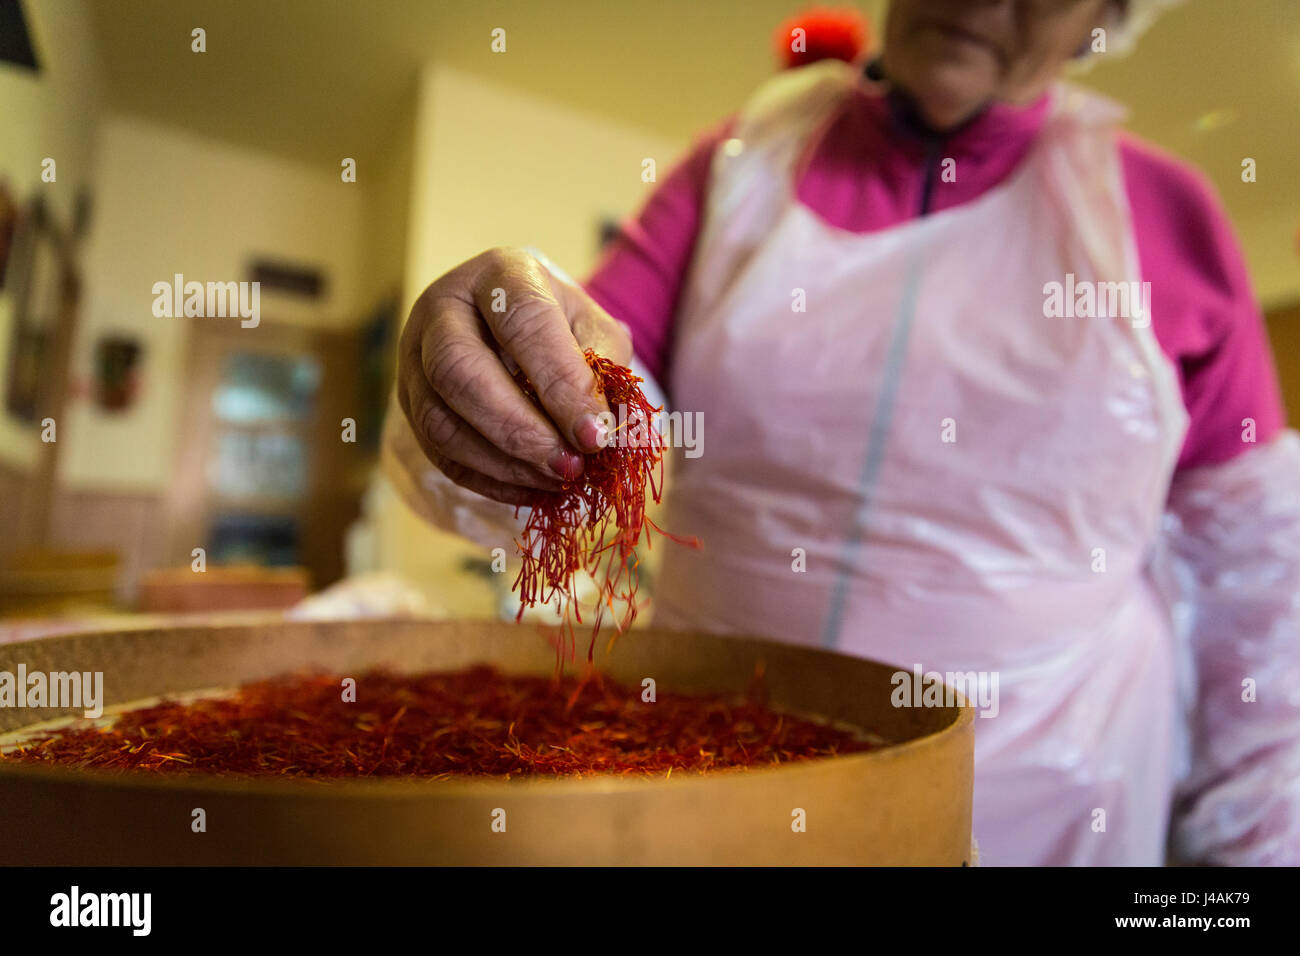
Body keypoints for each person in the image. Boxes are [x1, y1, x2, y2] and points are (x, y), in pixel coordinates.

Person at [384, 0, 1300, 865]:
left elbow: (1258, 585)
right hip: (720, 749)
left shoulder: (1165, 214)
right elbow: (593, 391)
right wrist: (504, 361)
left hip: (1045, 786)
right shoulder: (737, 169)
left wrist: (1260, 854)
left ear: (1107, 17)